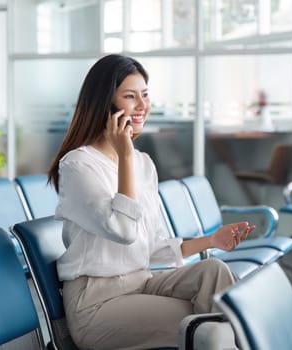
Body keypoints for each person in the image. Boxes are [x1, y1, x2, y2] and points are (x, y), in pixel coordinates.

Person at [47, 54, 255, 350]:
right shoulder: (78, 165)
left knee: (215, 271)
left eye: (145, 95)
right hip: (96, 303)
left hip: (141, 282)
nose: (143, 105)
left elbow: (151, 246)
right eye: (130, 96)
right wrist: (126, 157)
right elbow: (123, 230)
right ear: (105, 104)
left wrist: (211, 240)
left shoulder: (144, 164)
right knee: (212, 325)